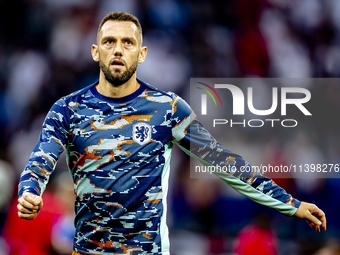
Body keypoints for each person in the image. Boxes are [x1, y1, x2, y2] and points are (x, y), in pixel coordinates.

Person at [17, 12, 326, 255]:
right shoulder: (68, 109)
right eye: (110, 42)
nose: (118, 50)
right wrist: (30, 190)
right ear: (96, 52)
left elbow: (224, 162)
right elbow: (42, 156)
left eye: (128, 43)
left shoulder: (167, 109)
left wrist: (290, 204)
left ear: (142, 54)